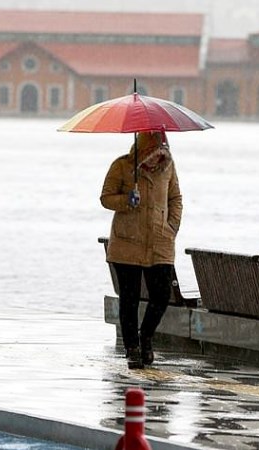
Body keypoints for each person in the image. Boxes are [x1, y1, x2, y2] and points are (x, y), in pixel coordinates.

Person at [100, 130, 182, 369]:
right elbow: (106, 198)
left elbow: (175, 197)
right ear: (145, 151)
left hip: (160, 241)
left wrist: (172, 226)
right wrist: (126, 199)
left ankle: (146, 336)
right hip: (128, 242)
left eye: (162, 154)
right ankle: (132, 347)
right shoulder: (122, 166)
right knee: (130, 298)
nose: (158, 159)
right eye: (154, 154)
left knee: (161, 295)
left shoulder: (168, 168)